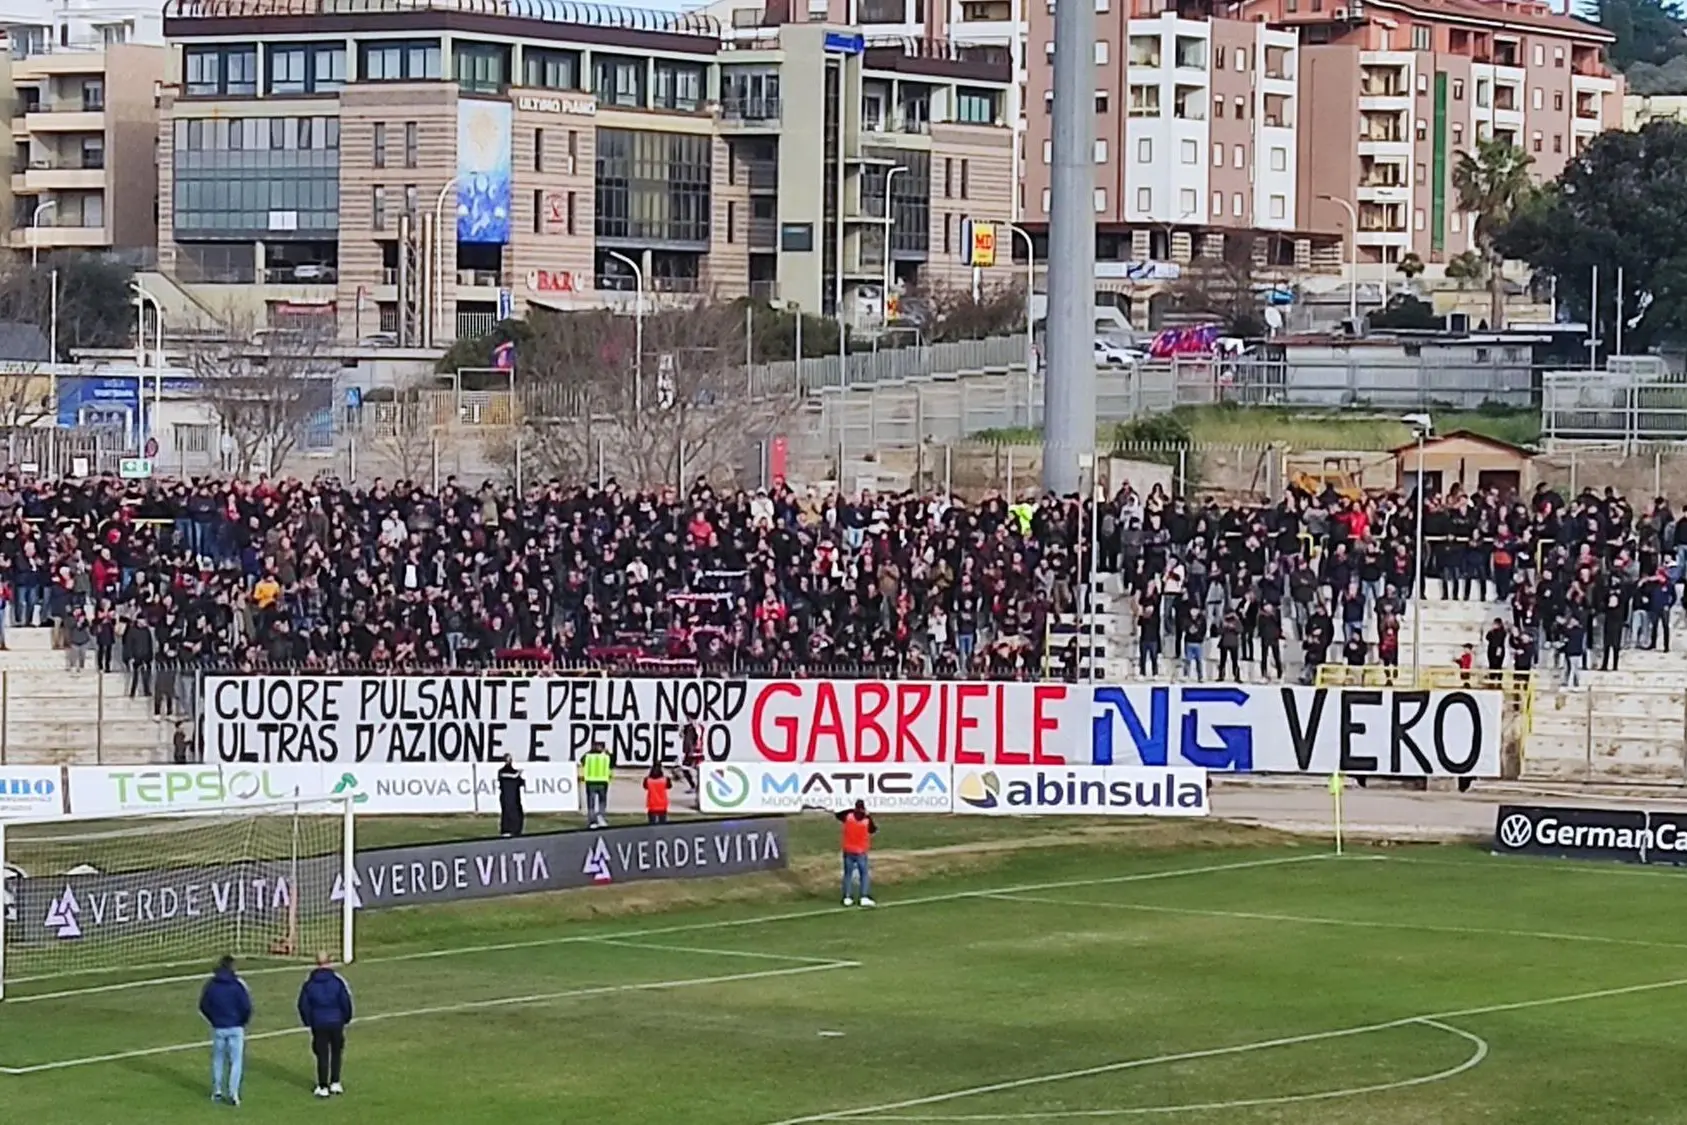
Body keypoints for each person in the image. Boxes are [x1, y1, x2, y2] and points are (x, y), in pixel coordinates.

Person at [297, 952, 353, 1098]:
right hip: (336, 1022)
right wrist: (345, 1018)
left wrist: (309, 1021)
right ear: (329, 963)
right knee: (336, 1052)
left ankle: (323, 1086)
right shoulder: (337, 982)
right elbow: (345, 1001)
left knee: (322, 1054)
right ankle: (335, 1082)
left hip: (319, 1023)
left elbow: (303, 1005)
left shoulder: (309, 984)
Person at [199, 954, 252, 1106]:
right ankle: (233, 1093)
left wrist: (213, 1019)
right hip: (235, 1026)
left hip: (219, 1027)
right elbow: (246, 1006)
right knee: (236, 1061)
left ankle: (216, 1091)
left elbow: (203, 1005)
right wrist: (242, 1021)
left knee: (218, 1059)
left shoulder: (211, 985)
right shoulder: (237, 985)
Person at [836, 799, 877, 907]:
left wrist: (852, 810)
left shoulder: (848, 816)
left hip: (848, 850)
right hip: (861, 851)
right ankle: (864, 896)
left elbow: (838, 815)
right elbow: (873, 830)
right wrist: (868, 815)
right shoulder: (866, 820)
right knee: (864, 875)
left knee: (848, 875)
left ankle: (847, 897)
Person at [581, 743, 612, 828]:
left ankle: (592, 822)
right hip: (603, 782)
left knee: (591, 804)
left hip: (591, 782)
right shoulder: (606, 757)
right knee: (602, 802)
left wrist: (590, 752)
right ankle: (601, 818)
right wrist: (608, 752)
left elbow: (582, 760)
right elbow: (612, 763)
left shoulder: (588, 757)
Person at [497, 755, 525, 838]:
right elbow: (511, 776)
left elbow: (520, 781)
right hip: (507, 797)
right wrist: (518, 774)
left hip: (514, 797)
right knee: (508, 813)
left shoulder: (512, 771)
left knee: (516, 813)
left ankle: (515, 830)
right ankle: (507, 830)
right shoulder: (502, 771)